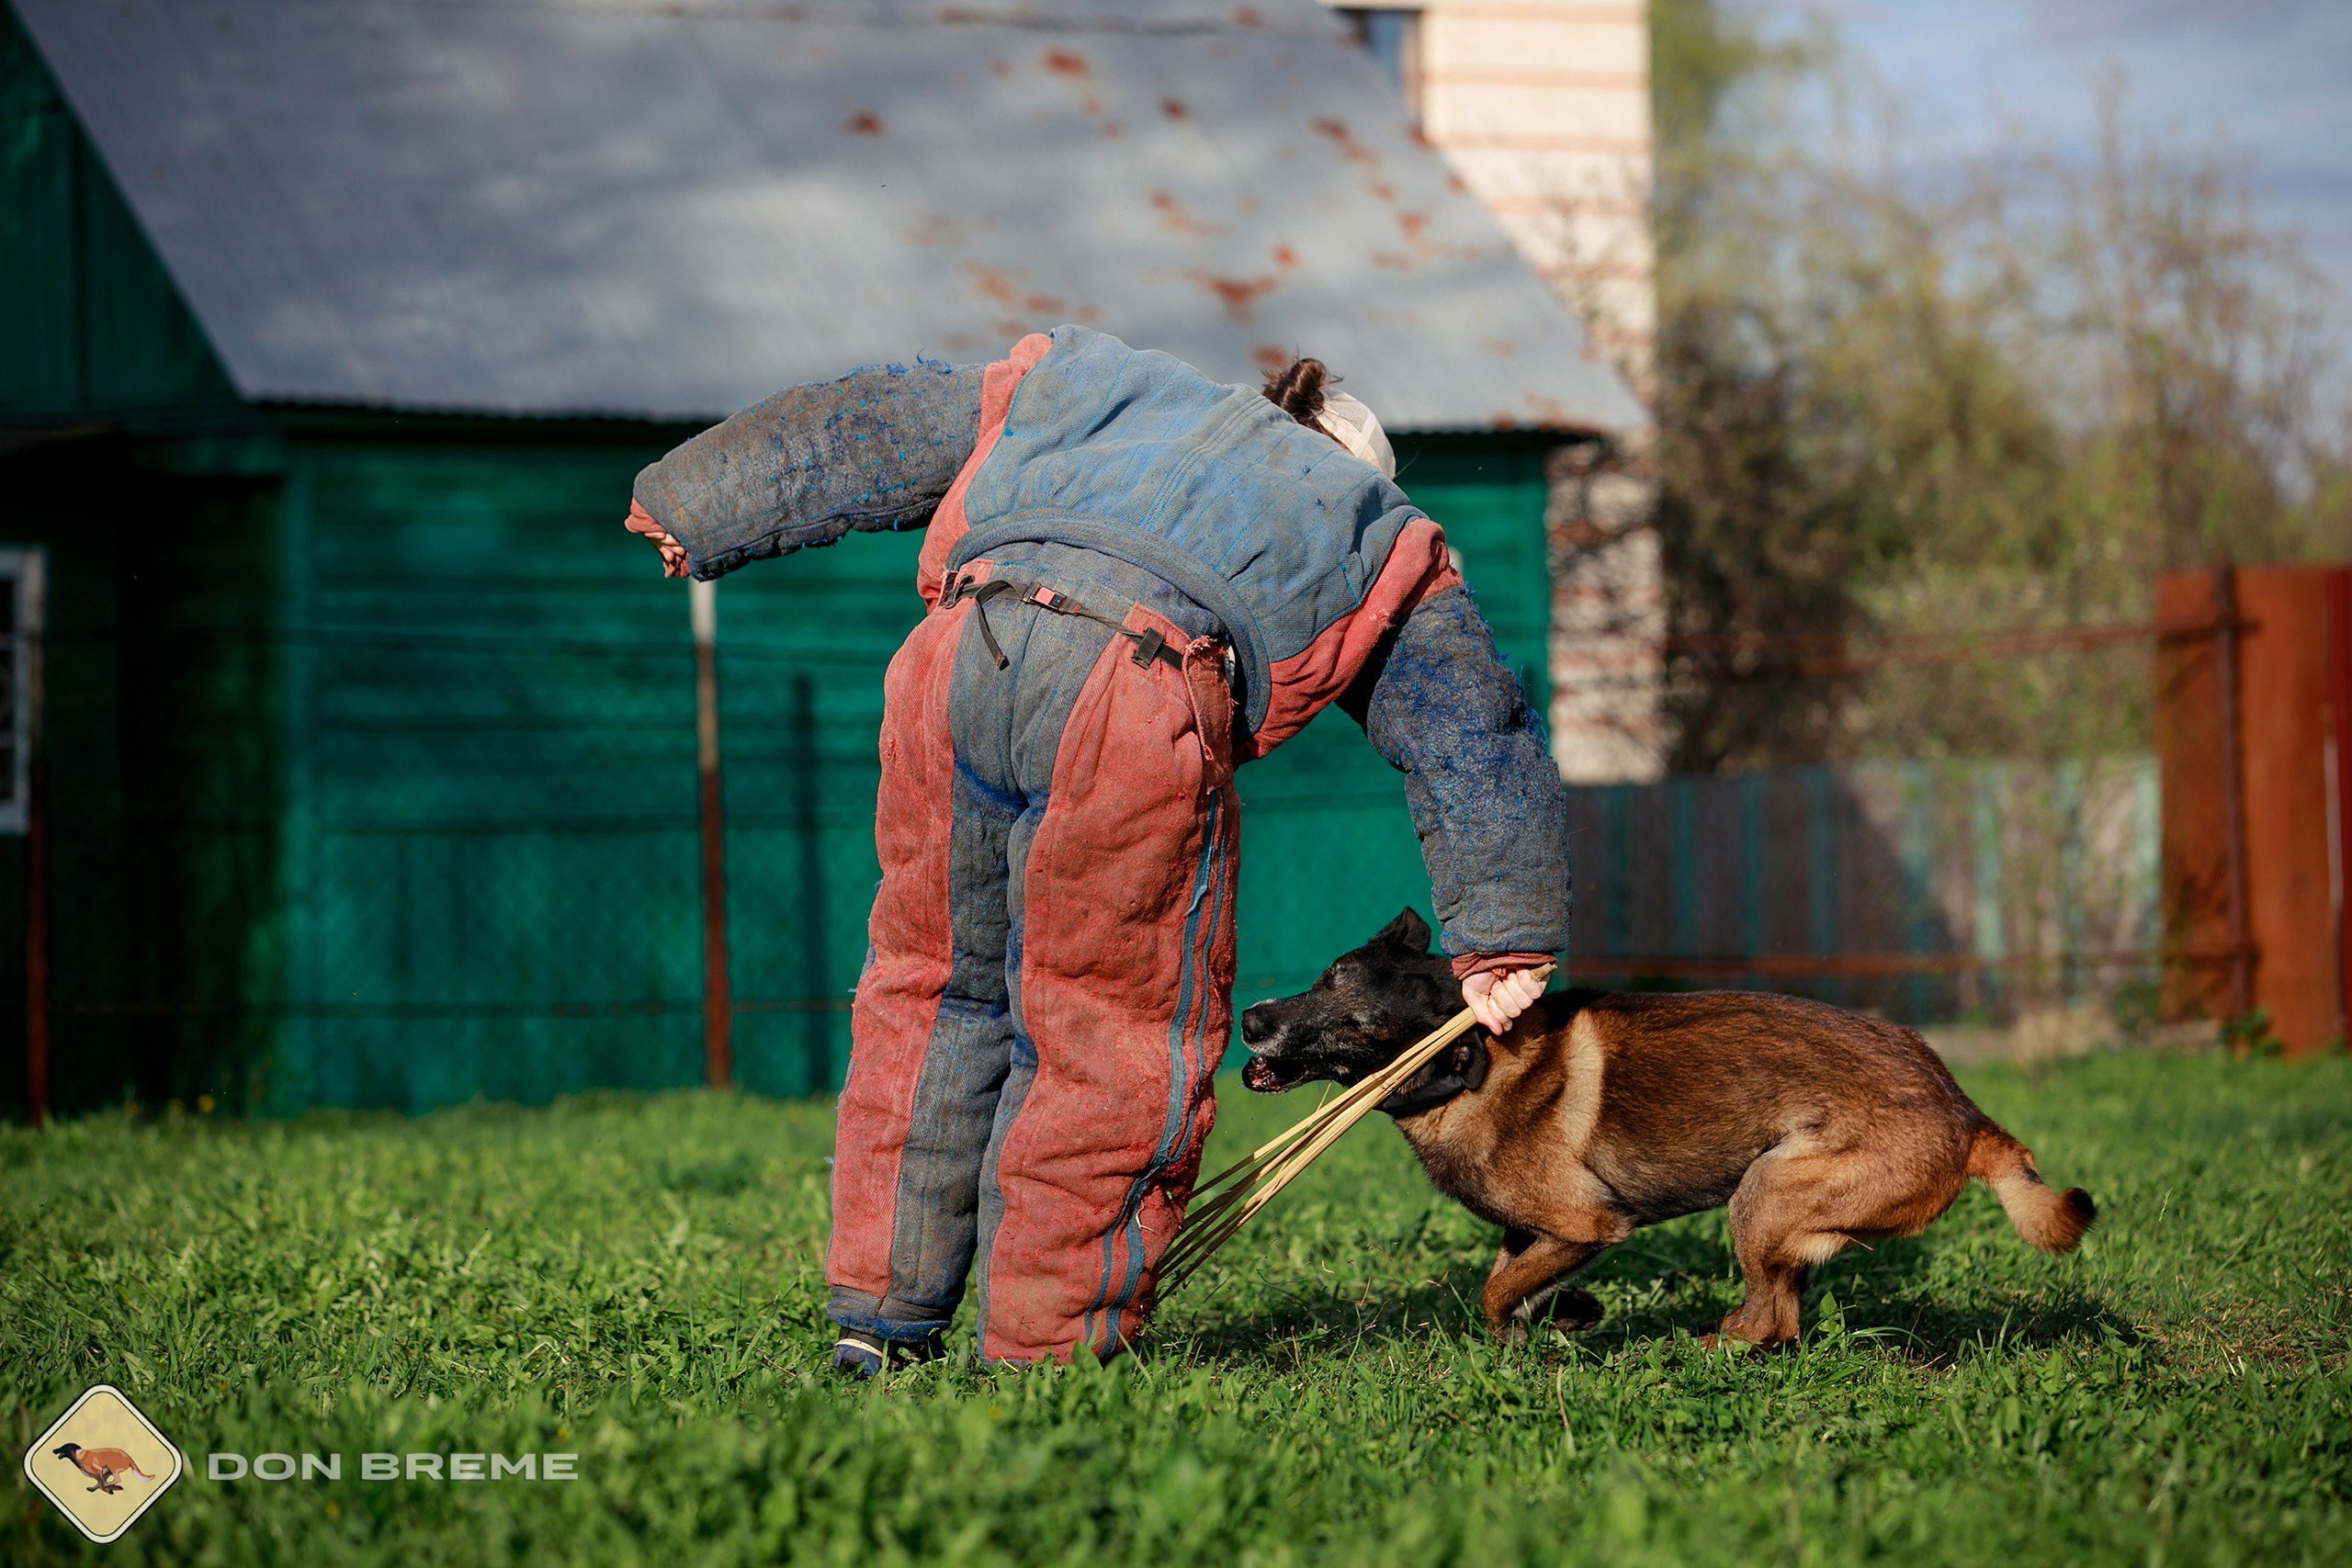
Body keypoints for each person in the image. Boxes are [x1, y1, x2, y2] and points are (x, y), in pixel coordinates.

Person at [623, 326, 1566, 1370]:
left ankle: (878, 1326)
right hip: (1134, 690)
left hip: (950, 660)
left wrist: (697, 503)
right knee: (1103, 1024)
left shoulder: (1098, 389)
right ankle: (1047, 1351)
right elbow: (1472, 732)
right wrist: (1503, 940)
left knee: (930, 988)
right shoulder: (1374, 526)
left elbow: (884, 420)